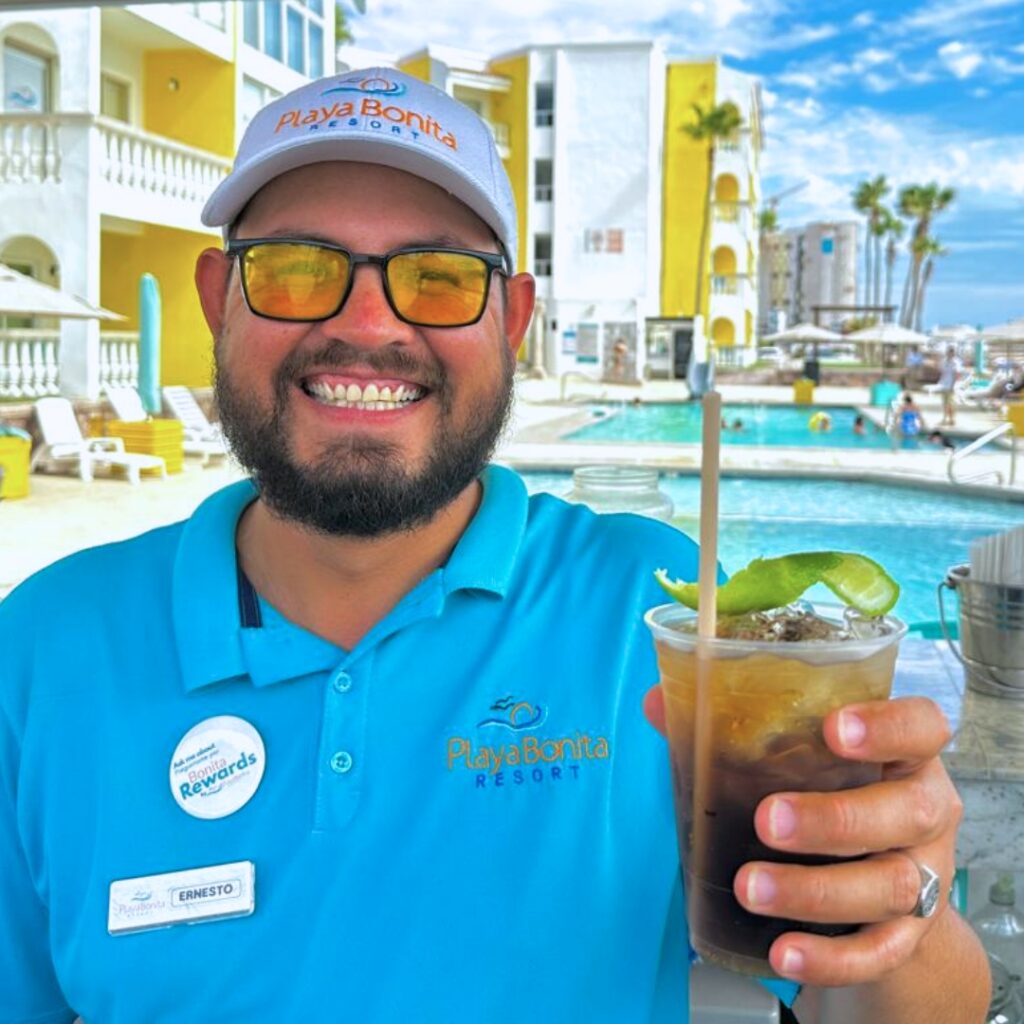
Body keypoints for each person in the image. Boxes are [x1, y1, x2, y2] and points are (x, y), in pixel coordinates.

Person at [0, 67, 988, 1023]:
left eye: (438, 279)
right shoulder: (42, 648)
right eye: (297, 269)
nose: (368, 322)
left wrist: (896, 895)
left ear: (512, 320)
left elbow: (896, 1010)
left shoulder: (642, 620)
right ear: (220, 299)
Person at [937, 345, 964, 426]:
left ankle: (952, 419)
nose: (949, 354)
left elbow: (956, 374)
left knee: (951, 403)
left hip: (951, 385)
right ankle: (945, 418)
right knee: (944, 402)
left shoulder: (956, 362)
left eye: (951, 352)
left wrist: (953, 385)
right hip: (943, 384)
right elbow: (941, 372)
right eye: (948, 352)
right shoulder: (944, 361)